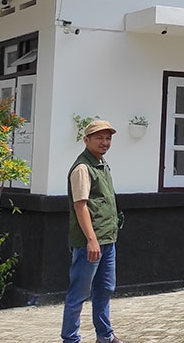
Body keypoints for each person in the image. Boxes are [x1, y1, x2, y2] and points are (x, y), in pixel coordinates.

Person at [62, 121, 126, 343]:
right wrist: (91, 240)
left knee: (105, 290)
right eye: (99, 137)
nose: (105, 142)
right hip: (90, 242)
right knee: (78, 293)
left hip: (108, 239)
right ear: (86, 140)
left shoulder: (102, 164)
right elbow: (80, 206)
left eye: (108, 138)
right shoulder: (83, 168)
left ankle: (105, 336)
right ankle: (70, 339)